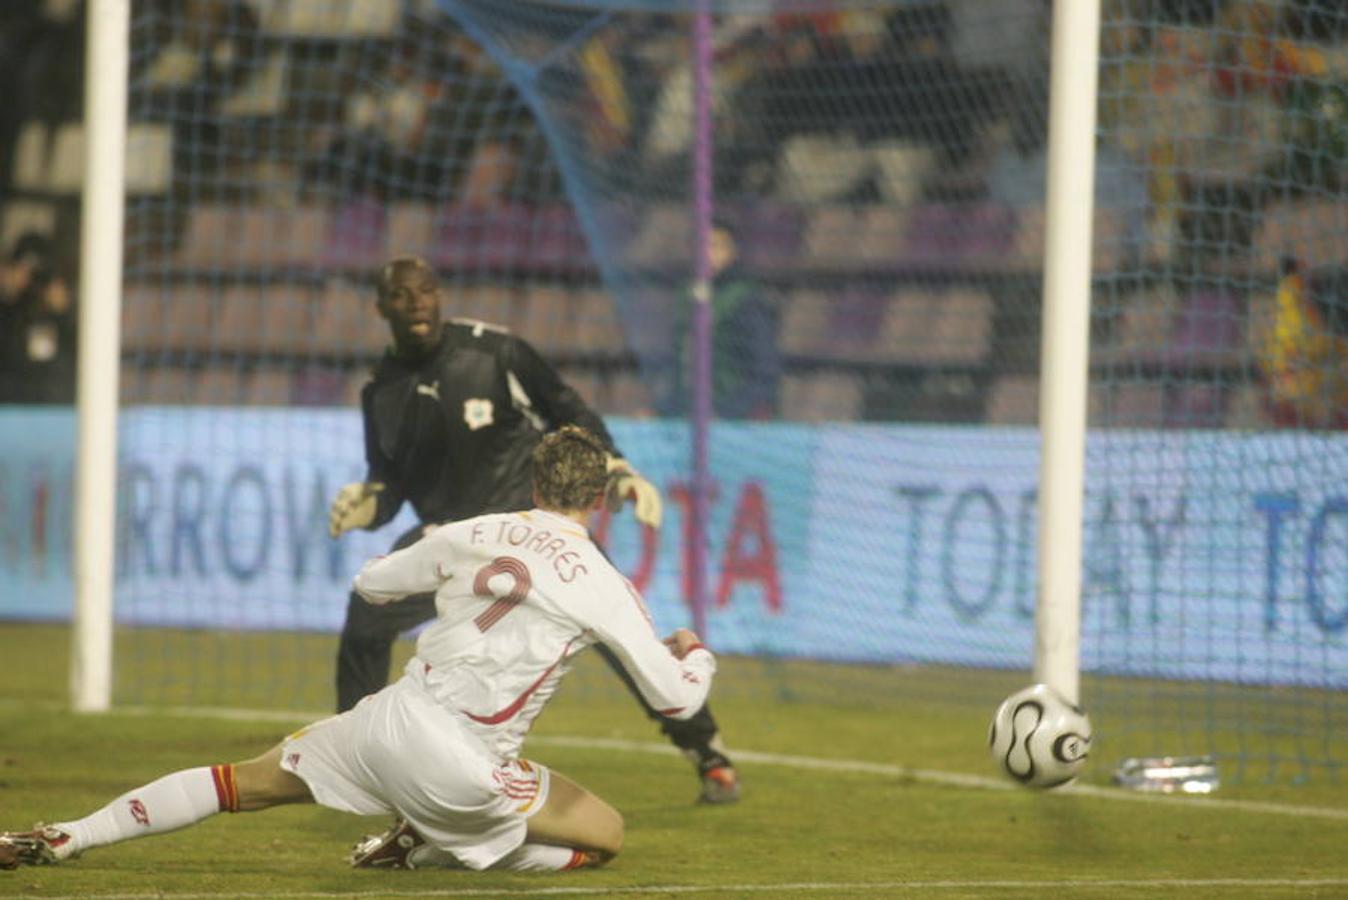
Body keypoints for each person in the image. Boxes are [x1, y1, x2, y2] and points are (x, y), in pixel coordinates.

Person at [0, 427, 717, 873]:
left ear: (533, 482)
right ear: (600, 497)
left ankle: (66, 834)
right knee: (604, 836)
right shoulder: (603, 582)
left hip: (386, 721)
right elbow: (677, 696)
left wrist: (444, 570)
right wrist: (695, 653)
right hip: (466, 765)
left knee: (237, 783)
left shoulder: (475, 530)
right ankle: (432, 847)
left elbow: (373, 585)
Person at [330, 256, 740, 804]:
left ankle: (707, 752)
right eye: (402, 296)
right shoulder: (379, 391)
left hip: (536, 531)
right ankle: (355, 758)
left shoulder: (496, 353)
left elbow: (570, 412)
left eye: (425, 290)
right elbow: (389, 482)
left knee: (622, 640)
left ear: (439, 295)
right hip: (456, 541)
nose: (418, 303)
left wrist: (616, 470)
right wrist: (371, 503)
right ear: (381, 308)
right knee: (364, 621)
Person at [656, 218, 781, 420]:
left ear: (732, 253)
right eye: (700, 245)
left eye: (715, 246)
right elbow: (679, 368)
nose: (706, 254)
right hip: (689, 415)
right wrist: (662, 410)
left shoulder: (746, 300)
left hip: (733, 419)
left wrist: (726, 412)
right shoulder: (685, 296)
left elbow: (764, 372)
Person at [0, 231, 76, 404]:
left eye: (38, 273)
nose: (33, 280)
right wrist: (9, 295)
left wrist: (63, 313)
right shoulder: (7, 312)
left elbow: (80, 357)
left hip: (52, 406)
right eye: (26, 270)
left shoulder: (58, 315)